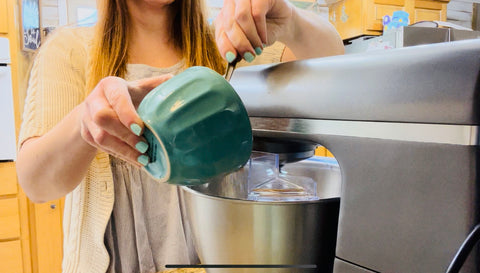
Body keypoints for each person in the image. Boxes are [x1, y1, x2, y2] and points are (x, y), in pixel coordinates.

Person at [16, 0, 344, 272]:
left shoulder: (233, 44)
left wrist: (292, 25)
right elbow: (36, 183)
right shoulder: (69, 50)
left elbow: (334, 76)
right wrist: (83, 125)